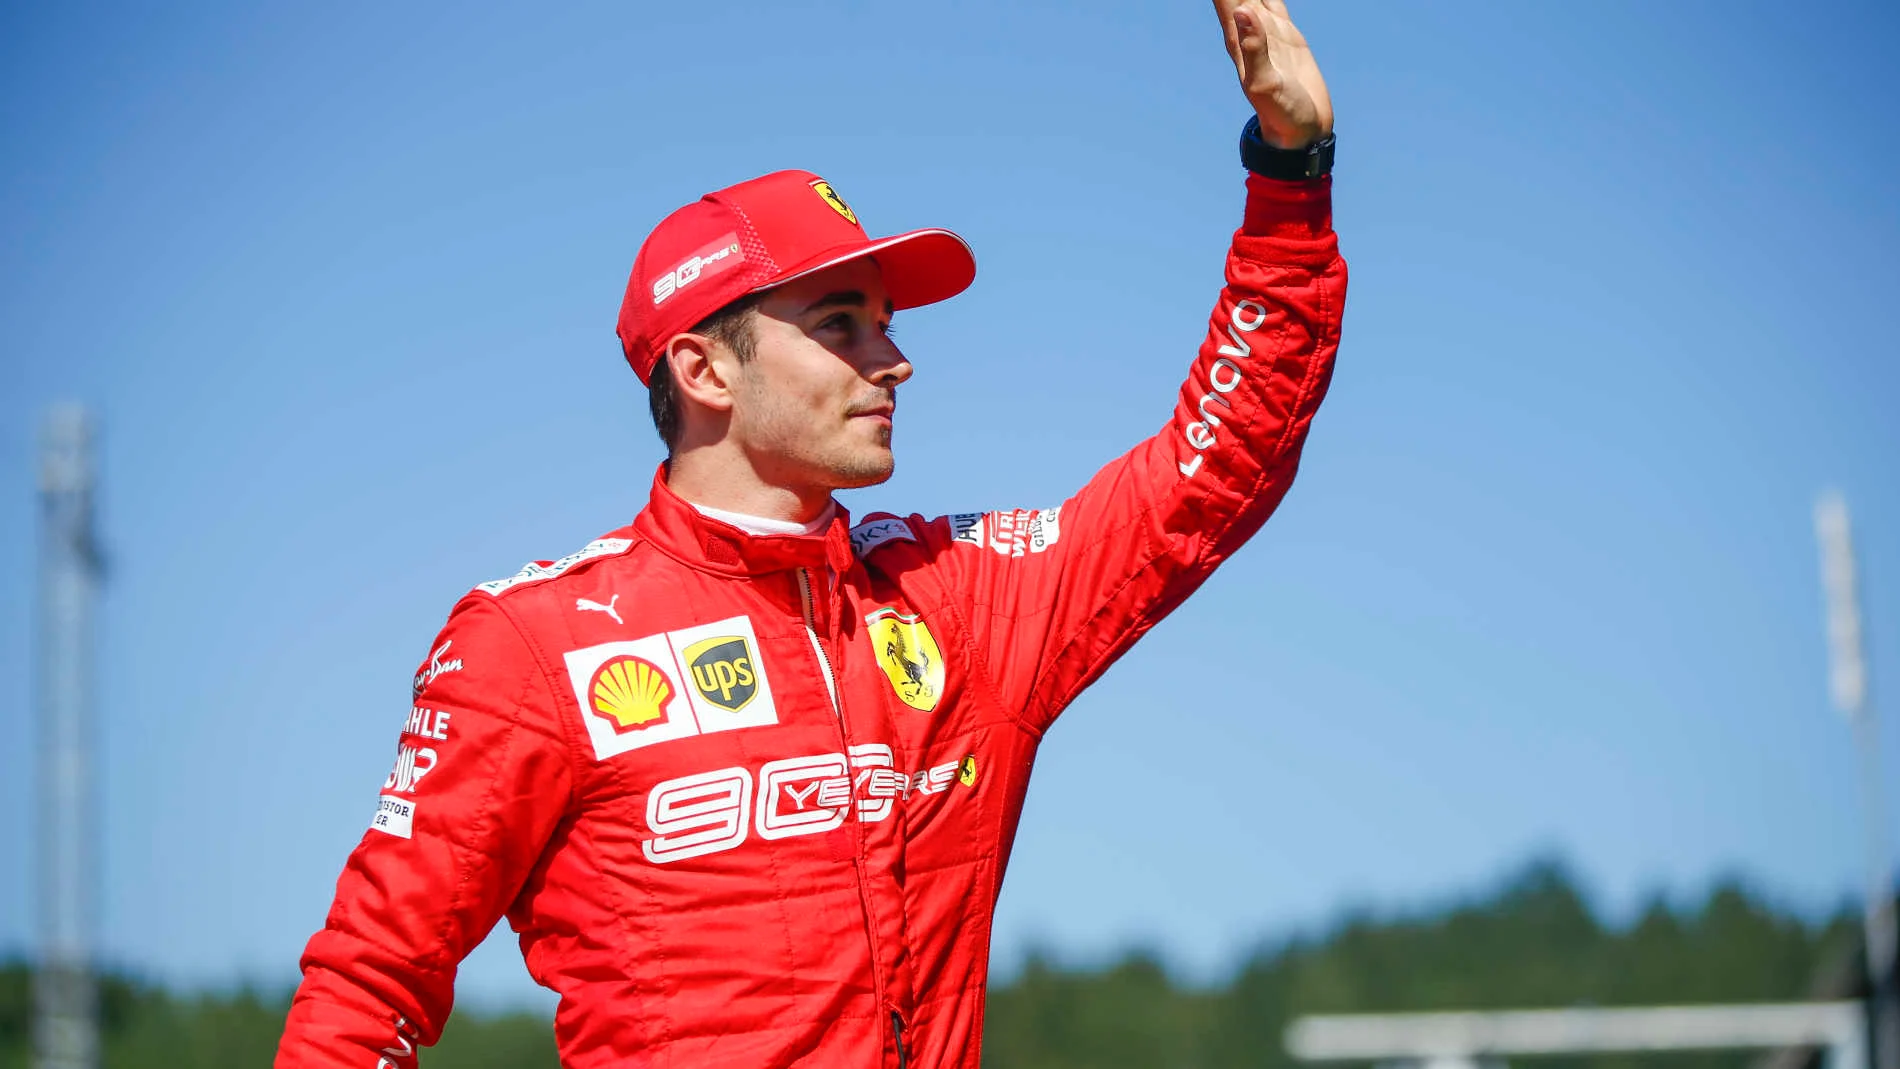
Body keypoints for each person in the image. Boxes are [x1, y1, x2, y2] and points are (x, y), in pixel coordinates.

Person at [275, 1, 1345, 1065]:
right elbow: (371, 985)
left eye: (884, 322)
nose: (892, 358)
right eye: (840, 323)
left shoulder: (958, 596)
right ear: (704, 370)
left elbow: (1211, 472)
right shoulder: (532, 644)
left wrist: (1287, 176)